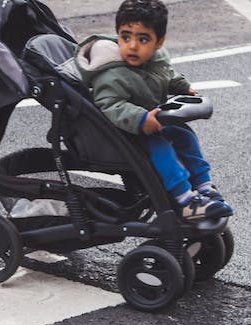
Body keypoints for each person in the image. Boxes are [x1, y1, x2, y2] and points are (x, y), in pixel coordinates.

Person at [74, 0, 232, 221]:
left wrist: (183, 87)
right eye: (125, 37)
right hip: (126, 133)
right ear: (117, 35)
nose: (132, 46)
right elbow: (110, 105)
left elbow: (166, 74)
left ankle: (204, 185)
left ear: (159, 42)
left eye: (143, 39)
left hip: (153, 123)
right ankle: (185, 200)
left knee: (184, 134)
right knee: (161, 148)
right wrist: (139, 118)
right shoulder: (111, 74)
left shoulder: (155, 60)